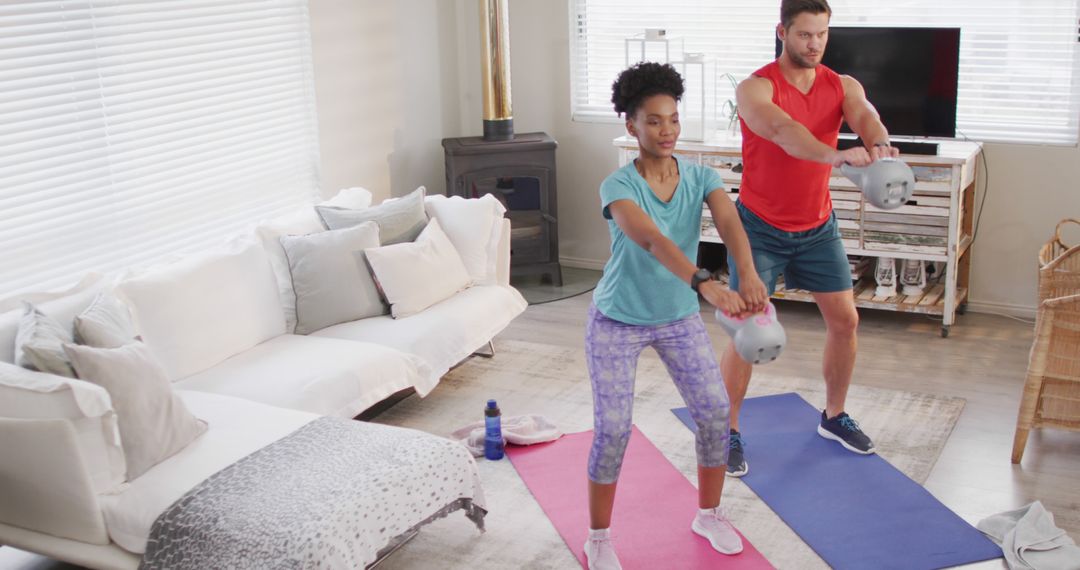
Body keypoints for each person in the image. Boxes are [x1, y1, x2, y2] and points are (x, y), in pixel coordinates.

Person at [583, 61, 768, 570]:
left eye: (673, 119)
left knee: (714, 413)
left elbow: (730, 223)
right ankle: (598, 537)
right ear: (632, 126)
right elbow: (651, 239)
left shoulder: (701, 176)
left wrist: (748, 273)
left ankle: (708, 515)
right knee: (613, 429)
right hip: (617, 319)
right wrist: (705, 282)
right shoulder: (617, 186)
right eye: (654, 121)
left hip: (676, 317)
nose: (667, 130)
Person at [723, 0, 901, 477]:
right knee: (748, 331)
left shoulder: (842, 84)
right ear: (782, 32)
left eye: (822, 34)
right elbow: (783, 131)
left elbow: (865, 115)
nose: (815, 43)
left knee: (845, 321)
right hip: (759, 229)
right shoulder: (756, 88)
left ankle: (834, 416)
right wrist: (835, 155)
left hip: (818, 227)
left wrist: (879, 143)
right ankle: (727, 429)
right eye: (805, 34)